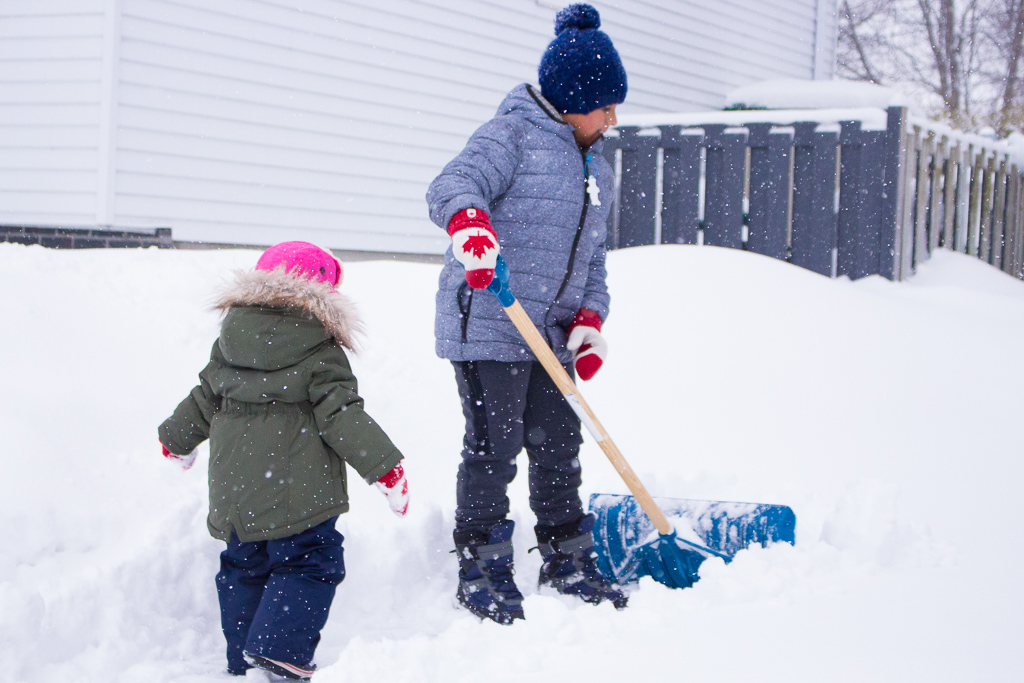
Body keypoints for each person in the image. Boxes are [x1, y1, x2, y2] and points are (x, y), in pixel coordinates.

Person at [426, 3, 628, 625]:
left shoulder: (600, 170)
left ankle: (565, 557)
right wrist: (471, 229)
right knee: (494, 449)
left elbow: (593, 257)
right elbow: (452, 185)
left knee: (560, 446)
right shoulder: (509, 135)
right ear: (571, 99)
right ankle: (481, 563)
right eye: (604, 106)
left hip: (552, 337)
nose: (612, 118)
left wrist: (590, 319)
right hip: (491, 320)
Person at [158, 241, 409, 680]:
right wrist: (385, 468)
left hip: (236, 487)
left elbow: (204, 398)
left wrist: (176, 440)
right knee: (312, 560)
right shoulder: (319, 348)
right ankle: (278, 650)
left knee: (243, 564)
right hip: (299, 487)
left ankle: (242, 659)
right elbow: (340, 415)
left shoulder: (232, 339)